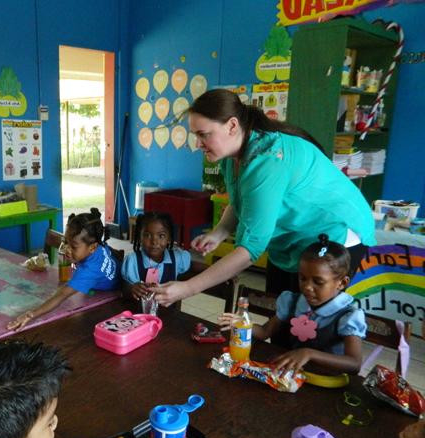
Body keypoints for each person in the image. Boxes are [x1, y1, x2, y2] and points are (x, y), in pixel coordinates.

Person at [153, 89, 375, 305]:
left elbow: (249, 251)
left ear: (232, 125)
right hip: (294, 240)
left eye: (203, 134)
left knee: (313, 328)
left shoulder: (268, 162)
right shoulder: (232, 156)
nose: (197, 144)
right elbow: (241, 200)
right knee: (280, 315)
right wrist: (221, 231)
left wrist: (187, 288)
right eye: (195, 135)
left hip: (333, 236)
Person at [218, 234, 366, 374]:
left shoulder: (348, 316)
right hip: (291, 375)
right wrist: (243, 324)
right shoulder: (292, 302)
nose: (307, 287)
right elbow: (264, 332)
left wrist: (308, 354)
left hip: (326, 381)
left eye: (318, 281)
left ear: (342, 283)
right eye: (302, 278)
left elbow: (354, 364)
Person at [8, 208, 119, 331]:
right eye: (66, 242)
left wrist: (31, 314)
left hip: (111, 301)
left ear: (92, 247)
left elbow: (61, 295)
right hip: (104, 283)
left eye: (73, 246)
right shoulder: (97, 245)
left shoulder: (88, 271)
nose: (66, 249)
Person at [122, 212, 190, 300]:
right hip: (139, 311)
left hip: (168, 312)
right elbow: (124, 288)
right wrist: (132, 288)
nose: (154, 242)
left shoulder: (177, 258)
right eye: (147, 235)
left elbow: (194, 267)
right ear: (140, 237)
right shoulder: (132, 261)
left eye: (161, 236)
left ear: (169, 238)